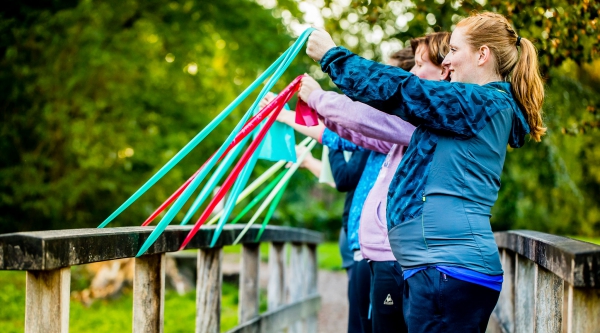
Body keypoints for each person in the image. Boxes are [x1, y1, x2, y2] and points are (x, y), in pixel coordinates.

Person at [304, 12, 545, 332]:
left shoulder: (480, 102)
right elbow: (377, 121)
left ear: (483, 54)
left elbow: (404, 90)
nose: (447, 62)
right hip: (439, 271)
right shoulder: (474, 106)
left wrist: (334, 58)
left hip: (448, 273)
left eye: (455, 51)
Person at [298, 34, 449, 332]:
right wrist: (304, 110)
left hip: (393, 257)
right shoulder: (415, 120)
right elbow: (357, 131)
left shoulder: (426, 119)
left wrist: (317, 97)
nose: (412, 74)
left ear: (444, 71)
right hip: (381, 255)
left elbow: (362, 120)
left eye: (420, 65)